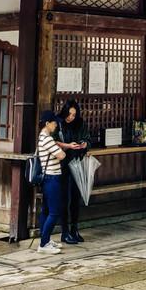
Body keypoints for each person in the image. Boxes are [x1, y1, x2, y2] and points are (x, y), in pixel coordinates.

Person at [54, 100, 90, 244]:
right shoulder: (58, 122)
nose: (71, 118)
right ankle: (64, 231)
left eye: (74, 115)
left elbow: (88, 139)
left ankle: (75, 228)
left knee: (76, 197)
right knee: (64, 197)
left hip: (77, 162)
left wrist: (84, 144)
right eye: (69, 114)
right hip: (62, 164)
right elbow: (53, 141)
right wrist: (68, 146)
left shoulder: (80, 123)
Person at [36, 110, 65, 253]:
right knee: (54, 212)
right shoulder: (47, 139)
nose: (56, 125)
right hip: (52, 178)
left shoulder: (43, 138)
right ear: (47, 123)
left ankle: (45, 239)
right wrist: (62, 150)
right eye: (54, 123)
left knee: (46, 211)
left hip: (47, 178)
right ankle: (43, 244)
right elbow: (61, 155)